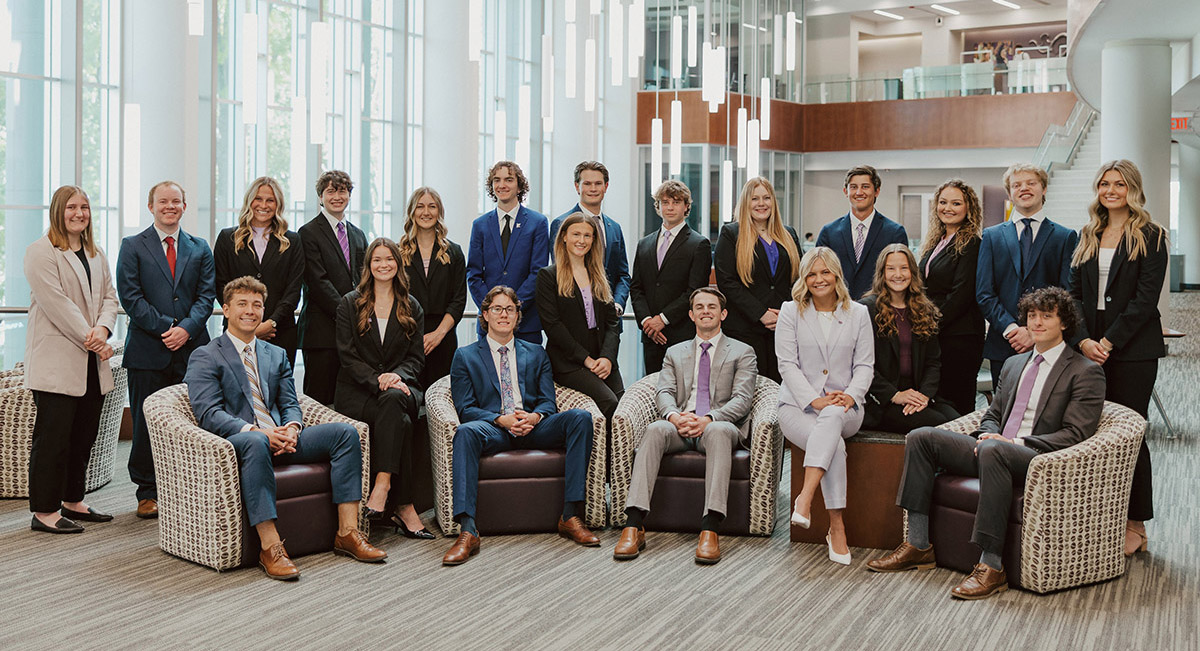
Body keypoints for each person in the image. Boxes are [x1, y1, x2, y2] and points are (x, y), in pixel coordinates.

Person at [868, 287, 1104, 600]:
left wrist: (1011, 441)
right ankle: (917, 544)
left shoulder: (1084, 372)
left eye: (1047, 316)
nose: (1037, 322)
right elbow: (991, 415)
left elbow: (1075, 434)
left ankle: (992, 566)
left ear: (1064, 323)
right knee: (922, 436)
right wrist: (986, 435)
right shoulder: (1014, 364)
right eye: (1032, 316)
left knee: (995, 449)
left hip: (1036, 458)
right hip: (994, 450)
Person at [186, 276, 386, 580]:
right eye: (242, 304)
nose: (250, 311)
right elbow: (209, 413)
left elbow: (292, 402)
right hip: (242, 443)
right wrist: (259, 433)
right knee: (255, 444)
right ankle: (270, 547)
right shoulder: (206, 354)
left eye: (257, 305)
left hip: (284, 438)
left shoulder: (275, 354)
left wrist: (291, 428)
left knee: (345, 434)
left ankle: (348, 532)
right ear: (225, 309)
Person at [441, 286, 597, 566]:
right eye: (497, 309)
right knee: (465, 433)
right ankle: (467, 530)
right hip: (495, 428)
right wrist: (501, 419)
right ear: (485, 314)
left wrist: (534, 417)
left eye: (510, 309)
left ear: (517, 316)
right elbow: (465, 409)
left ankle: (570, 515)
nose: (504, 314)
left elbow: (549, 403)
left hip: (534, 427)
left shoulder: (537, 353)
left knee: (580, 418)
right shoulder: (465, 356)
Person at [614, 288, 757, 565]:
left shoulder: (742, 351)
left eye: (712, 307)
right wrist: (674, 417)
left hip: (720, 425)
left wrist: (709, 419)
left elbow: (743, 399)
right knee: (655, 429)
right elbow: (664, 392)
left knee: (716, 432)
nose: (706, 311)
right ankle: (634, 524)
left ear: (723, 314)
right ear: (691, 315)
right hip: (680, 424)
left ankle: (710, 528)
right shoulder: (674, 352)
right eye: (700, 307)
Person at [1068, 159, 1168, 557]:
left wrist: (1107, 343)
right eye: (1105, 184)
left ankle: (1135, 523)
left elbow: (1146, 300)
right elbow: (1072, 293)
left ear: (1133, 189)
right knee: (1092, 434)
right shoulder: (1088, 234)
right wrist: (1082, 341)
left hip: (1132, 350)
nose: (1111, 191)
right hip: (1088, 346)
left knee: (1130, 434)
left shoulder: (1151, 235)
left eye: (1120, 184)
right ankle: (1103, 518)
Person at [117, 180, 216, 518]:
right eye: (163, 201)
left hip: (192, 352)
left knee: (191, 421)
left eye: (176, 201)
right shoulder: (133, 246)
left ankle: (186, 487)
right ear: (151, 206)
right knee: (146, 423)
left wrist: (186, 330)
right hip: (148, 350)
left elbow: (207, 297)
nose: (170, 206)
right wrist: (166, 329)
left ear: (184, 206)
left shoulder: (200, 247)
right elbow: (130, 297)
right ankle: (147, 492)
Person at [24, 186, 119, 533]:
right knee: (53, 438)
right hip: (58, 360)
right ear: (58, 211)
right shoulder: (40, 252)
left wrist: (105, 329)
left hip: (91, 361)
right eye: (72, 207)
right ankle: (45, 511)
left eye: (85, 207)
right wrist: (93, 339)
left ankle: (72, 500)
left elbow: (110, 297)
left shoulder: (96, 252)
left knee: (83, 436)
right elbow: (58, 305)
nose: (79, 213)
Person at [775, 247, 874, 565]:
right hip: (797, 406)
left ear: (836, 275)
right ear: (804, 278)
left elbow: (865, 367)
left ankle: (804, 499)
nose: (819, 279)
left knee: (832, 416)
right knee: (836, 447)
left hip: (847, 407)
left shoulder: (858, 313)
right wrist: (814, 399)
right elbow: (787, 365)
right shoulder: (791, 312)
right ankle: (836, 526)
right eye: (812, 274)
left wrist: (851, 394)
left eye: (825, 272)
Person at [335, 238, 434, 539]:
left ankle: (382, 485)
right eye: (377, 259)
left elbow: (416, 358)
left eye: (389, 259)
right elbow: (347, 356)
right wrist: (377, 379)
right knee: (400, 420)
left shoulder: (411, 306)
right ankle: (403, 505)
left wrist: (395, 376)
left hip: (403, 387)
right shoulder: (349, 303)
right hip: (359, 391)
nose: (383, 264)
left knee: (394, 399)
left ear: (398, 264)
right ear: (368, 266)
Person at [977, 163, 1078, 390]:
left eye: (1031, 183)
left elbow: (1066, 293)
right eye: (1016, 185)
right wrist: (1012, 329)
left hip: (1048, 344)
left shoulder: (1065, 237)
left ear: (1043, 189)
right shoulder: (992, 237)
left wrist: (1035, 332)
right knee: (1005, 413)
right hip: (1004, 343)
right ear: (1010, 193)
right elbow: (984, 293)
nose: (1024, 188)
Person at [860, 244, 960, 433]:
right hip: (883, 401)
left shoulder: (924, 309)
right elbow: (862, 365)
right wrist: (895, 395)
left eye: (904, 268)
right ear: (882, 272)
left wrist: (924, 395)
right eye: (891, 268)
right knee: (939, 424)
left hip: (918, 395)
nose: (898, 274)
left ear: (913, 272)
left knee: (959, 421)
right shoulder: (866, 310)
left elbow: (933, 362)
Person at [714, 177, 801, 383]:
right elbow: (727, 281)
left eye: (766, 198)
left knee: (782, 388)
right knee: (749, 390)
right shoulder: (731, 234)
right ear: (746, 202)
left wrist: (786, 312)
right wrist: (761, 313)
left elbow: (799, 280)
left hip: (784, 326)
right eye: (755, 199)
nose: (761, 204)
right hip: (745, 328)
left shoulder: (788, 234)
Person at [536, 213, 624, 418]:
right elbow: (553, 326)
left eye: (587, 235)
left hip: (602, 355)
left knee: (623, 406)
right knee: (609, 402)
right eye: (576, 234)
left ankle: (620, 452)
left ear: (594, 240)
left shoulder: (599, 274)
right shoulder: (548, 276)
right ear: (564, 236)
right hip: (569, 361)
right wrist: (587, 360)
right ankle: (601, 451)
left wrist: (607, 358)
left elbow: (612, 322)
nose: (581, 240)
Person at [213, 176, 305, 367]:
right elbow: (221, 285)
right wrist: (247, 326)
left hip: (280, 332)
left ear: (277, 204)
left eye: (270, 200)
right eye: (258, 199)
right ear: (250, 201)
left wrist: (270, 323)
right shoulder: (227, 238)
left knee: (277, 393)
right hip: (236, 332)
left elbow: (293, 290)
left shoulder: (292, 241)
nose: (264, 205)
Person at [298, 170, 368, 404]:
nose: (337, 196)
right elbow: (317, 282)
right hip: (321, 334)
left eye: (342, 191)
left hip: (353, 336)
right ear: (321, 197)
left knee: (348, 401)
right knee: (318, 402)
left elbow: (364, 279)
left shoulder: (358, 235)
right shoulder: (307, 233)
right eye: (331, 191)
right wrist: (349, 313)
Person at [629, 180, 713, 374]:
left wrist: (663, 319)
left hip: (680, 332)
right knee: (651, 390)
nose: (670, 207)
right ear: (658, 207)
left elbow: (695, 292)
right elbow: (636, 287)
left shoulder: (699, 244)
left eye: (676, 202)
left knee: (681, 392)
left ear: (686, 207)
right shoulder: (644, 244)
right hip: (650, 334)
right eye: (665, 202)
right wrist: (647, 322)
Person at [918, 180, 986, 416]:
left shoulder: (972, 243)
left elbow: (961, 295)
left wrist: (930, 324)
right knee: (939, 401)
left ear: (969, 208)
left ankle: (963, 450)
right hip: (938, 332)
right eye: (943, 202)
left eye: (956, 203)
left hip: (960, 337)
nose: (948, 208)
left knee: (958, 402)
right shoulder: (936, 241)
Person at [467, 161, 549, 344]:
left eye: (509, 179)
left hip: (526, 322)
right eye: (497, 180)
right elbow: (473, 273)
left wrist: (513, 307)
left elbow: (538, 272)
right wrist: (493, 309)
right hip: (489, 325)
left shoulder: (538, 223)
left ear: (519, 186)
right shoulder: (480, 225)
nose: (502, 185)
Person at [398, 186, 466, 387]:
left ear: (439, 212)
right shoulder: (398, 252)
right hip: (407, 336)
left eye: (431, 206)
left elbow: (459, 299)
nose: (426, 212)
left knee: (441, 397)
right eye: (420, 207)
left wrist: (438, 334)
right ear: (412, 212)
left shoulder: (454, 252)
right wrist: (415, 336)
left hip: (443, 337)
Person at [550, 161, 632, 314]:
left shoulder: (614, 228)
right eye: (587, 183)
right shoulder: (561, 224)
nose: (593, 189)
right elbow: (560, 270)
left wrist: (618, 304)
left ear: (606, 187)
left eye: (598, 183)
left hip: (610, 318)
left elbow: (623, 275)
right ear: (577, 186)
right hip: (574, 315)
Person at [816, 165, 908, 299]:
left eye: (865, 186)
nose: (859, 192)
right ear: (845, 191)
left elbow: (900, 276)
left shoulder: (894, 232)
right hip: (838, 308)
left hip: (880, 310)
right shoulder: (829, 232)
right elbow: (819, 272)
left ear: (876, 191)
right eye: (853, 187)